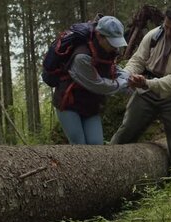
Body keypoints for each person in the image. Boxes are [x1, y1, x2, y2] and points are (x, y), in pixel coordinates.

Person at [111, 5, 171, 172]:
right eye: (166, 27)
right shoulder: (154, 35)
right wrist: (128, 75)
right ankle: (109, 162)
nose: (169, 32)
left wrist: (147, 83)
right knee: (127, 128)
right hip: (146, 93)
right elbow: (137, 61)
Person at [53, 16, 130, 145]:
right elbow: (99, 85)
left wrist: (129, 77)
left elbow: (112, 67)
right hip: (69, 103)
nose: (115, 47)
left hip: (91, 103)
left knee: (96, 144)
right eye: (112, 42)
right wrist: (125, 83)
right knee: (79, 145)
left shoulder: (107, 50)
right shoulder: (82, 56)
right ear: (99, 36)